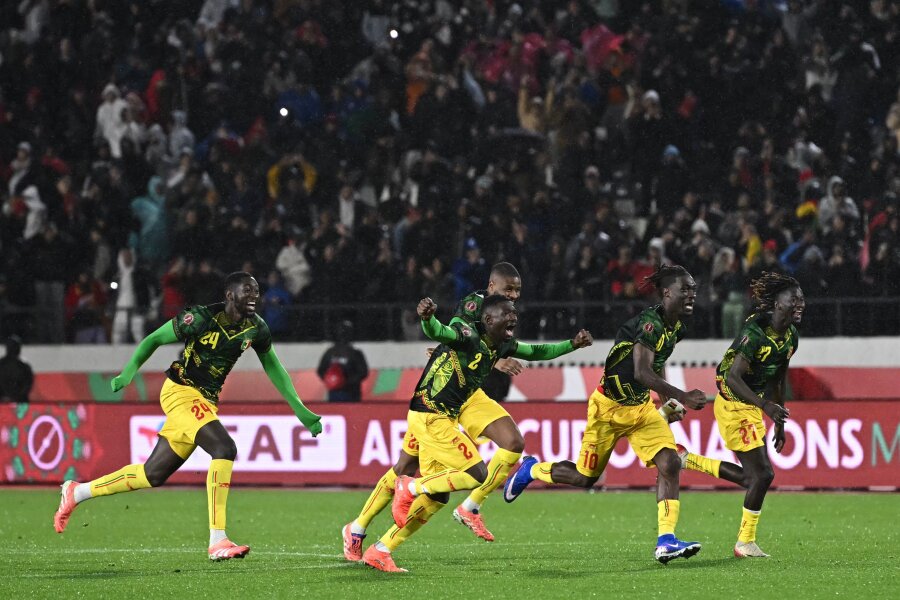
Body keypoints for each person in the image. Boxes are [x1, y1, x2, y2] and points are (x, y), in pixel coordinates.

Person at [53, 272, 323, 560]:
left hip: (204, 401)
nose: (254, 296)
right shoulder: (201, 318)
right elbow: (155, 338)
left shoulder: (256, 328)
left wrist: (300, 409)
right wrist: (128, 372)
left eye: (256, 290)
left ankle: (77, 492)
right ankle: (218, 539)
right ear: (230, 295)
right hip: (180, 391)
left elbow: (274, 367)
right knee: (224, 448)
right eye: (247, 290)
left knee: (152, 474)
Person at [362, 294, 593, 572]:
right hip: (430, 416)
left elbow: (537, 351)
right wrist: (427, 318)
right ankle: (408, 488)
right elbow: (440, 332)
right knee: (476, 473)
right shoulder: (468, 335)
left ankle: (381, 549)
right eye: (506, 313)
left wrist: (572, 345)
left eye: (514, 312)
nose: (513, 316)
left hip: (445, 416)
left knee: (438, 496)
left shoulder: (501, 344)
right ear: (488, 319)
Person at [503, 265, 708, 564]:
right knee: (584, 478)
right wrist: (683, 395)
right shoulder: (649, 323)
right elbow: (641, 372)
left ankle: (666, 541)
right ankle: (532, 470)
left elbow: (657, 361)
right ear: (667, 293)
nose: (691, 294)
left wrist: (667, 401)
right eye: (685, 289)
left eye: (693, 289)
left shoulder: (676, 327)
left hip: (640, 409)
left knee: (670, 462)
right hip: (607, 408)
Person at [342, 263, 528, 560]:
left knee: (512, 443)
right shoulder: (473, 305)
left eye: (517, 290)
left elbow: (490, 347)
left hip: (466, 395)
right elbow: (455, 338)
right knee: (408, 469)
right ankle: (359, 528)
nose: (514, 296)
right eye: (509, 289)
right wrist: (491, 360)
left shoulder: (505, 313)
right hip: (440, 397)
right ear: (491, 286)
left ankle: (468, 507)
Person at [676, 272, 801, 558]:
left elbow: (778, 376)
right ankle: (745, 543)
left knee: (754, 478)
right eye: (794, 299)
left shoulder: (790, 336)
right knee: (762, 475)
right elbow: (733, 377)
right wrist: (765, 406)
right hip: (733, 403)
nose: (800, 304)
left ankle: (687, 460)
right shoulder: (755, 332)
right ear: (777, 303)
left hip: (751, 405)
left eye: (802, 299)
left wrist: (778, 420)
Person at [316, 320, 369, 402]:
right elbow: (363, 372)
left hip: (346, 392)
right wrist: (336, 381)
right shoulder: (354, 353)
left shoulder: (331, 352)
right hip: (346, 392)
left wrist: (336, 381)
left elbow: (321, 370)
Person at [0, 335, 34, 403]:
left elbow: (28, 384)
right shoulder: (1, 364)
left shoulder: (24, 366)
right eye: (11, 347)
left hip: (20, 401)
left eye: (15, 347)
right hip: (3, 401)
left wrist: (17, 397)